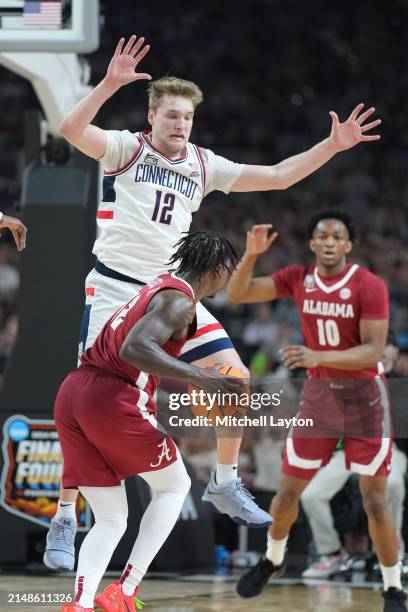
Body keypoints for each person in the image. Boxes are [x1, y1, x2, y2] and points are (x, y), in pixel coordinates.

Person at [46, 32, 382, 570]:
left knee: (238, 378)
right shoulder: (124, 148)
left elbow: (277, 177)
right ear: (153, 116)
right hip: (113, 287)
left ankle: (225, 482)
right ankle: (65, 513)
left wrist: (332, 147)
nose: (181, 125)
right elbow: (69, 129)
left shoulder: (203, 165)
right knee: (85, 396)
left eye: (188, 118)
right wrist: (109, 82)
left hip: (169, 292)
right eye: (173, 115)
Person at [58, 231, 248, 612]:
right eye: (227, 273)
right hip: (111, 397)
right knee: (175, 486)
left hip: (73, 394)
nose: (225, 281)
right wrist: (204, 378)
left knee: (111, 517)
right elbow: (136, 349)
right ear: (216, 270)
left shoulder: (160, 285)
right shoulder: (179, 302)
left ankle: (78, 605)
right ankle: (124, 592)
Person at [229, 212, 407, 611]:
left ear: (348, 245)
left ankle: (392, 586)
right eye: (322, 235)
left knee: (374, 500)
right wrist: (251, 255)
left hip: (364, 399)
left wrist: (316, 355)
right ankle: (272, 561)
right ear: (312, 244)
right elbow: (239, 294)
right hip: (320, 398)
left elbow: (374, 350)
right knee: (289, 490)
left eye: (337, 236)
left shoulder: (369, 285)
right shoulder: (297, 278)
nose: (329, 241)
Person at [301, 331, 407, 579]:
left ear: (395, 352)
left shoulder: (401, 381)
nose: (383, 350)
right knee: (311, 495)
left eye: (388, 345)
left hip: (390, 450)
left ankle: (393, 547)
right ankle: (331, 553)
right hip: (348, 452)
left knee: (392, 483)